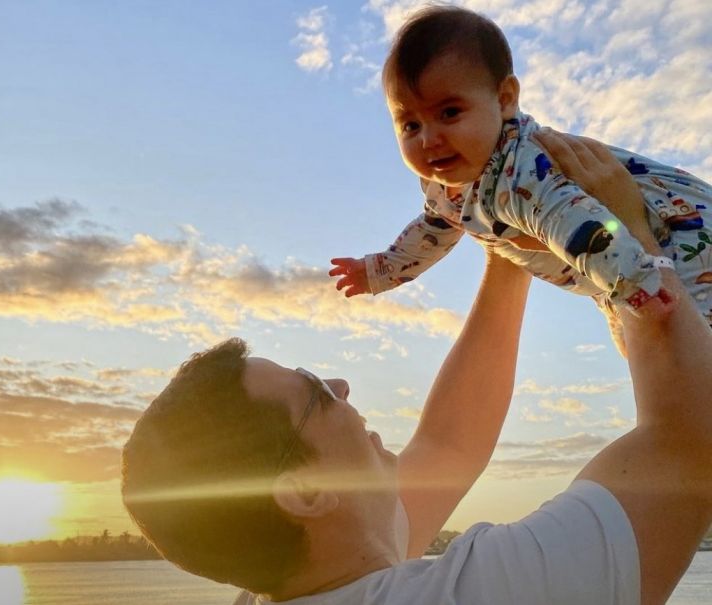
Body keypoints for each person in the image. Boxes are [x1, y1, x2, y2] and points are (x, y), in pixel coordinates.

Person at [121, 133, 712, 604]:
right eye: (315, 393)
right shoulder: (490, 592)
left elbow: (451, 443)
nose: (340, 384)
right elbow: (690, 444)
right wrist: (628, 230)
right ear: (304, 491)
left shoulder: (293, 582)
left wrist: (504, 239)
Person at [330, 5, 712, 356]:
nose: (429, 139)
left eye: (449, 112)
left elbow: (578, 225)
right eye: (410, 124)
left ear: (504, 100)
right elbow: (433, 230)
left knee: (682, 352)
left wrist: (639, 286)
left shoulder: (519, 171)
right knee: (646, 352)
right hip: (617, 267)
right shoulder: (444, 186)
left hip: (676, 233)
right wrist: (381, 269)